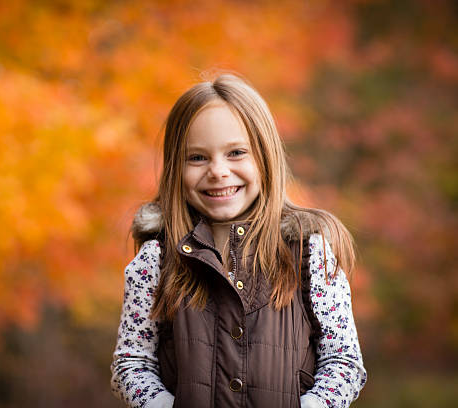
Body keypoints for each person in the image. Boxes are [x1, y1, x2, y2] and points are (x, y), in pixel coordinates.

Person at [110, 73, 367, 408]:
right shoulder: (156, 260)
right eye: (198, 157)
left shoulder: (308, 253)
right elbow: (131, 363)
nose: (217, 171)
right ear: (176, 167)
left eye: (235, 153)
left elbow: (344, 362)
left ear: (265, 158)